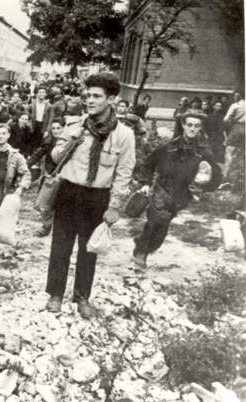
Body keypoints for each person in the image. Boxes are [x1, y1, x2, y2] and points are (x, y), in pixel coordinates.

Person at [44, 73, 135, 319]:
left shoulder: (124, 135)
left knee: (89, 248)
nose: (90, 101)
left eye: (97, 96)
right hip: (69, 192)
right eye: (88, 96)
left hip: (98, 197)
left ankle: (82, 296)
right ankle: (55, 293)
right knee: (61, 244)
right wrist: (69, 143)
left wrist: (115, 205)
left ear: (111, 99)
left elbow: (124, 173)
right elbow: (54, 157)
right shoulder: (75, 126)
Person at [132, 111, 221, 268]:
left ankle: (143, 245)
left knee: (162, 227)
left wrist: (202, 187)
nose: (193, 129)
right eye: (190, 125)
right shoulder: (169, 147)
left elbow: (216, 176)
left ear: (201, 128)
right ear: (183, 125)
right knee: (156, 220)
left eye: (197, 126)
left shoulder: (204, 152)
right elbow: (148, 163)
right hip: (162, 188)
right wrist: (145, 183)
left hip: (182, 195)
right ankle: (141, 253)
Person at [29, 117, 66, 237]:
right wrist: (25, 165)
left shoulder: (69, 143)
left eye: (58, 128)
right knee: (44, 202)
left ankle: (61, 229)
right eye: (53, 128)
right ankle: (46, 227)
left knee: (62, 204)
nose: (56, 131)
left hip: (64, 177)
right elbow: (38, 154)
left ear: (64, 128)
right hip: (49, 175)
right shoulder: (49, 142)